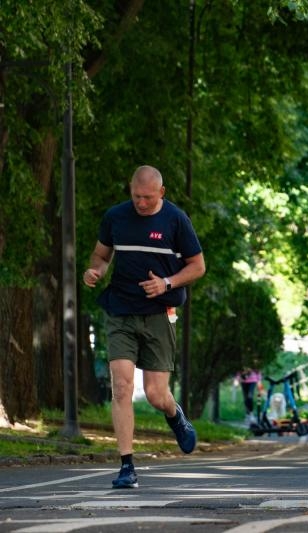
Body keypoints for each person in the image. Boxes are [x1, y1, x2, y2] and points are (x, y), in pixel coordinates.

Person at [83, 165, 206, 489]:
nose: (141, 203)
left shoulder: (176, 220)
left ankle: (174, 414)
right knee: (121, 386)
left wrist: (167, 282)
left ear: (161, 193)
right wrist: (94, 271)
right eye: (137, 196)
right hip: (121, 310)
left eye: (148, 198)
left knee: (155, 394)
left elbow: (198, 266)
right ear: (130, 190)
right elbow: (100, 255)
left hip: (159, 312)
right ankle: (127, 466)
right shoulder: (116, 217)